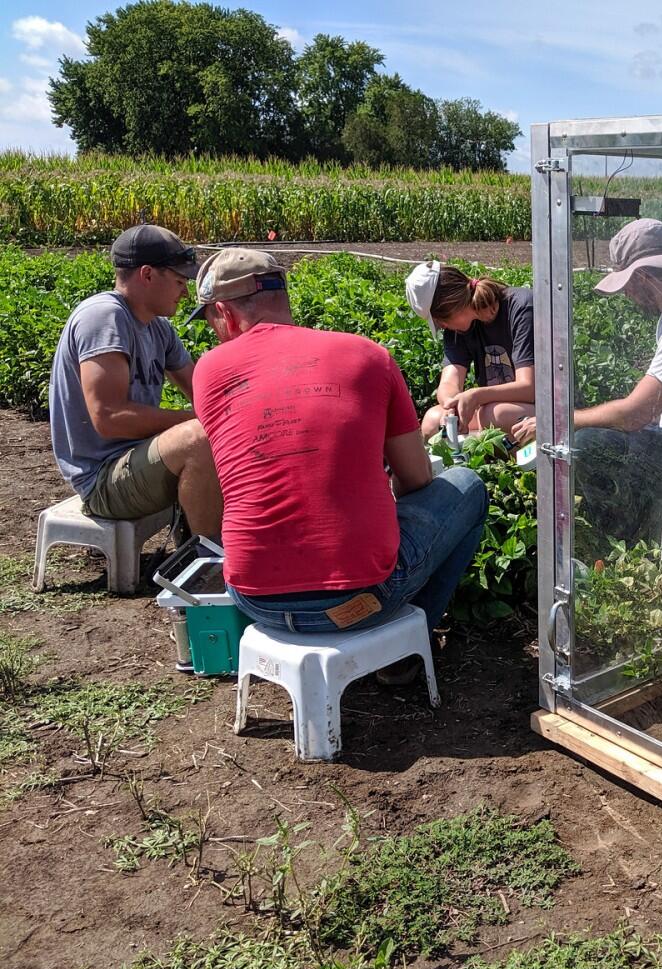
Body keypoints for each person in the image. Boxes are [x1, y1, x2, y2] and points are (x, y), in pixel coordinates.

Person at [190, 249, 486, 682]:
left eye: (212, 323)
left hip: (254, 599)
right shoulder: (366, 355)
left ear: (224, 314)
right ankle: (401, 647)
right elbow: (418, 478)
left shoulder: (208, 372)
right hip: (364, 601)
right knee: (469, 487)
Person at [514, 218, 662, 543]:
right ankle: (632, 539)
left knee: (587, 446)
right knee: (599, 436)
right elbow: (647, 412)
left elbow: (634, 415)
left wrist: (556, 422)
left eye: (627, 283)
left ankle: (612, 546)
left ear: (643, 277)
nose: (626, 292)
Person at [48, 224, 222, 537]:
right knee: (201, 439)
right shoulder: (103, 317)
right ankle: (208, 564)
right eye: (180, 281)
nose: (185, 292)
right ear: (147, 275)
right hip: (103, 478)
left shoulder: (158, 328)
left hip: (135, 462)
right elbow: (109, 418)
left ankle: (216, 548)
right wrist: (196, 422)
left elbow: (203, 393)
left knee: (225, 433)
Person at [405, 262, 536, 440]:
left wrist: (476, 395)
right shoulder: (457, 330)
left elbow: (530, 388)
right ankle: (483, 454)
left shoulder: (520, 306)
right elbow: (449, 382)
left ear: (451, 305)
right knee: (433, 421)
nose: (442, 326)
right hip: (497, 410)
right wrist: (451, 405)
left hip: (544, 409)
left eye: (439, 320)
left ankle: (511, 463)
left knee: (493, 415)